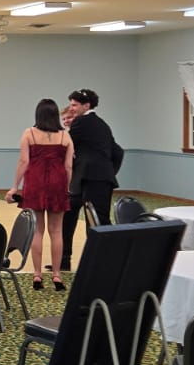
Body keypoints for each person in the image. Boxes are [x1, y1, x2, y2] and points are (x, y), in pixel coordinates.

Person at [8, 99, 75, 292]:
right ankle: (56, 275)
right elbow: (68, 166)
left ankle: (37, 275)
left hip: (35, 183)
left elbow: (23, 161)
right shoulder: (65, 136)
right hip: (58, 183)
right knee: (57, 231)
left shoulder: (29, 133)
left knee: (37, 230)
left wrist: (15, 187)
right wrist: (66, 187)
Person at [59, 88, 124, 272]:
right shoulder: (102, 124)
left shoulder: (82, 122)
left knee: (94, 222)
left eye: (74, 105)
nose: (72, 109)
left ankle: (94, 263)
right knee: (93, 219)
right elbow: (118, 152)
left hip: (89, 180)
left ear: (86, 105)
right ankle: (92, 262)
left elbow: (64, 146)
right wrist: (109, 172)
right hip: (93, 180)